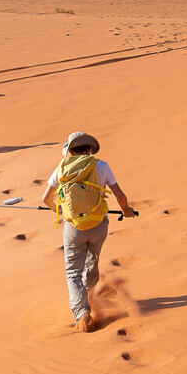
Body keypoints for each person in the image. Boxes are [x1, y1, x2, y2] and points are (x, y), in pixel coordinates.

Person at [40, 131, 136, 332]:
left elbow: (45, 199)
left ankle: (81, 312)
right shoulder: (101, 166)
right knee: (92, 261)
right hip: (98, 224)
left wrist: (60, 210)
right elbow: (120, 195)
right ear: (90, 149)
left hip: (74, 227)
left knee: (73, 271)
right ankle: (89, 296)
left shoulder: (61, 168)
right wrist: (126, 211)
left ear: (70, 151)